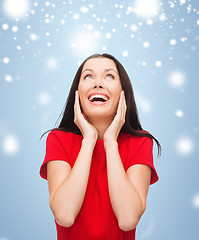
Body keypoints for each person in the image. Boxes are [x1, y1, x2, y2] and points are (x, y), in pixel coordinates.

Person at [39, 53, 161, 240]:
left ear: (123, 92)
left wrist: (111, 142)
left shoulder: (140, 143)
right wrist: (89, 140)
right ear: (77, 93)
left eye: (110, 76)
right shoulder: (58, 139)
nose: (98, 83)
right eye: (88, 76)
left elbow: (128, 219)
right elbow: (64, 215)